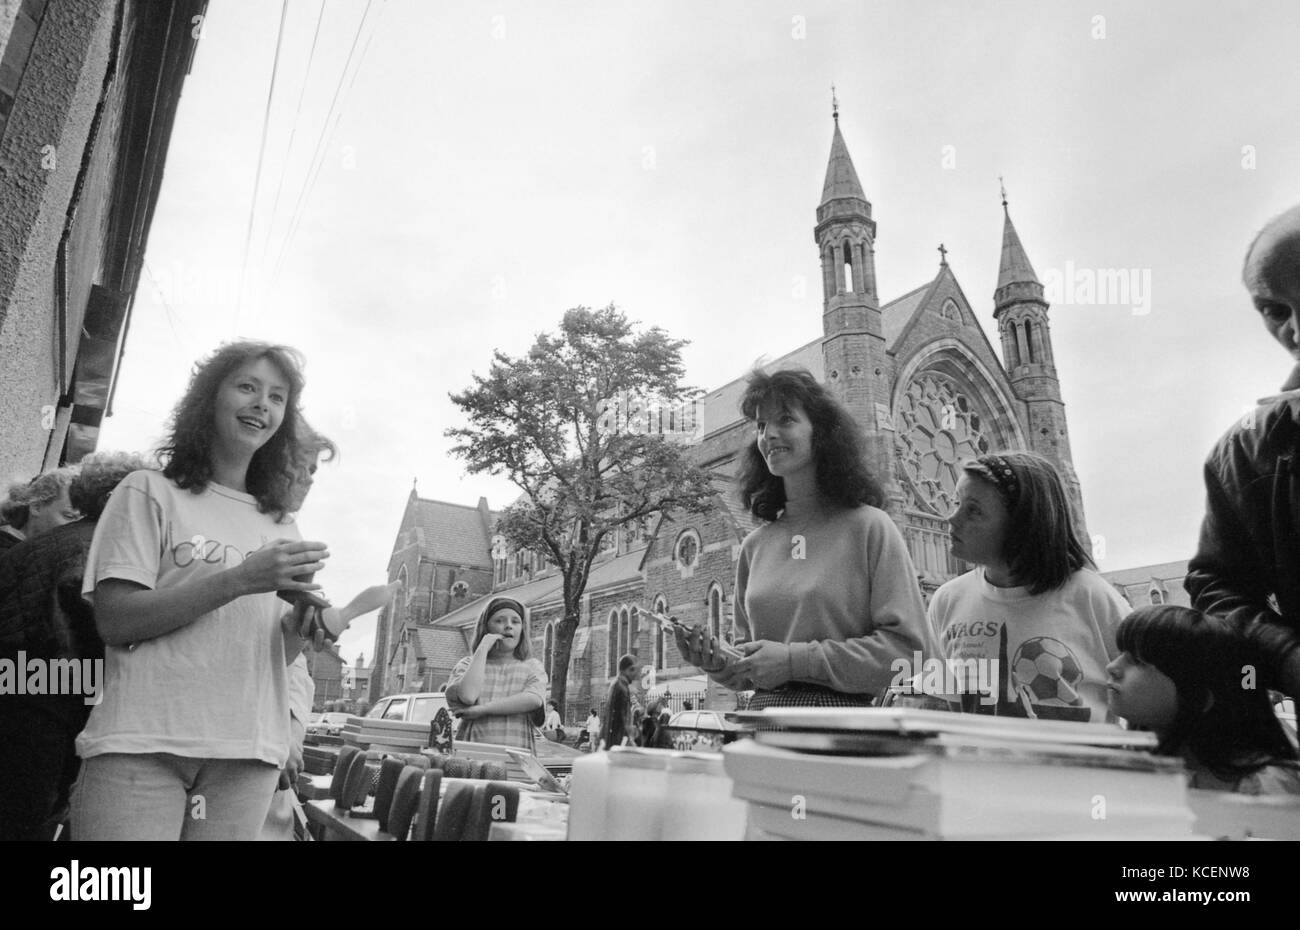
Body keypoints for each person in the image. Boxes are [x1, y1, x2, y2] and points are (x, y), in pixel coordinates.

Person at [71, 341, 331, 841]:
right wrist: (239, 580)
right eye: (248, 387)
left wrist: (303, 630)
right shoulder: (149, 491)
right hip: (143, 744)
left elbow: (274, 654)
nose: (263, 404)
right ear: (209, 397)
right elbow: (117, 621)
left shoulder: (282, 524)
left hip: (247, 754)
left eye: (278, 397)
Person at [675, 368, 932, 709]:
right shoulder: (755, 546)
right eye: (761, 425)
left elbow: (909, 653)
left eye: (785, 420)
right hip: (763, 728)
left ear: (821, 432)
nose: (769, 435)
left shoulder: (870, 528)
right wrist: (716, 662)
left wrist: (796, 661)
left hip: (837, 730)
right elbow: (750, 667)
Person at [0, 451, 147, 840]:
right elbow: (98, 629)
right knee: (26, 820)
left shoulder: (51, 540)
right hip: (46, 703)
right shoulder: (98, 549)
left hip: (20, 688)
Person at [1187, 204, 1300, 698]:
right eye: (1275, 310)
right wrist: (1286, 655)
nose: (1295, 330)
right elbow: (1217, 586)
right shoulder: (1243, 454)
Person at [928, 452, 1127, 721]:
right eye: (956, 503)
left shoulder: (1094, 598)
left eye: (973, 510)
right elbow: (933, 701)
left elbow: (1151, 701)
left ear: (1023, 523)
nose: (952, 518)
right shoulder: (947, 601)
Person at [1106, 605, 1300, 795]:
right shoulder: (1140, 759)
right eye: (1120, 653)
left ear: (1199, 697)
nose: (1112, 667)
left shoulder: (1265, 789)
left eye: (1137, 661)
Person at [445, 596, 547, 752]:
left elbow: (533, 700)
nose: (508, 626)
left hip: (516, 758)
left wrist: (483, 709)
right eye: (499, 621)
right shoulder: (467, 665)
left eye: (515, 621)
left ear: (522, 629)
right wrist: (483, 647)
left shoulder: (533, 666)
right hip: (472, 757)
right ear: (486, 628)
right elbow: (468, 696)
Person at [0, 467, 82, 552]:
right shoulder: (7, 552)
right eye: (69, 516)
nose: (79, 527)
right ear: (36, 507)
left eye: (85, 520)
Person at [601, 655, 639, 748]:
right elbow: (621, 718)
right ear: (627, 669)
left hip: (614, 742)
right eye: (634, 670)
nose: (636, 674)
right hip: (617, 743)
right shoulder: (621, 687)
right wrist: (629, 737)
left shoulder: (619, 684)